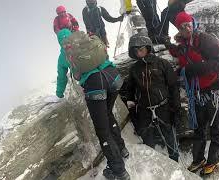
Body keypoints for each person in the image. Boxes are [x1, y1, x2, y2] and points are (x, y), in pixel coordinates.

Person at [51, 28, 130, 180]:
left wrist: (59, 93)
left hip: (95, 86)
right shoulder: (85, 40)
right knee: (108, 114)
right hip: (113, 77)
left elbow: (62, 77)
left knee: (102, 129)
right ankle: (122, 149)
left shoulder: (64, 55)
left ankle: (118, 170)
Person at [167, 12, 219, 175]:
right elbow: (180, 54)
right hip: (198, 93)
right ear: (179, 29)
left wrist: (194, 69)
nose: (186, 28)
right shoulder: (185, 44)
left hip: (214, 91)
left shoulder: (205, 40)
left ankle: (214, 160)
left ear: (192, 23)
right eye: (182, 26)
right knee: (199, 129)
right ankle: (198, 159)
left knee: (216, 128)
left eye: (188, 24)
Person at [125, 34, 180, 162]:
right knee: (147, 141)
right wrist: (132, 109)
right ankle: (152, 165)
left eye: (141, 49)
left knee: (170, 137)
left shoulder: (162, 63)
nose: (139, 52)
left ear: (148, 48)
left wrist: (175, 108)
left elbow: (173, 86)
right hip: (144, 110)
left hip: (163, 106)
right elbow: (130, 89)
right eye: (136, 50)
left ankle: (175, 163)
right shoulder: (134, 69)